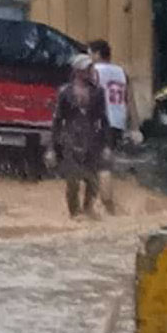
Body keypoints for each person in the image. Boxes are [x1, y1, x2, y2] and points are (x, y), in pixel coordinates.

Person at [46, 54, 110, 219]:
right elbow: (58, 120)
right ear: (78, 71)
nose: (91, 72)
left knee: (92, 180)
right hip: (71, 140)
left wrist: (106, 146)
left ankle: (88, 208)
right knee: (73, 181)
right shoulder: (65, 92)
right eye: (88, 69)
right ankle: (74, 213)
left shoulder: (98, 92)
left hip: (92, 140)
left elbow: (103, 121)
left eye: (91, 68)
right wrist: (52, 148)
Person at [89, 40, 141, 215]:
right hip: (117, 123)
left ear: (97, 54)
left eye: (90, 53)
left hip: (99, 122)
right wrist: (135, 127)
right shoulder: (122, 73)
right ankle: (102, 202)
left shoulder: (94, 72)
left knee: (101, 166)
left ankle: (108, 207)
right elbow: (130, 101)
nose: (89, 57)